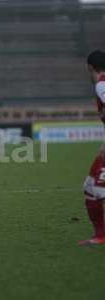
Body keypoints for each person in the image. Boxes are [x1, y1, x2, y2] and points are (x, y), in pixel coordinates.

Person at [80, 49, 105, 245]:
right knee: (90, 186)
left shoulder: (102, 85)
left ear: (90, 68)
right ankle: (100, 236)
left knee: (95, 188)